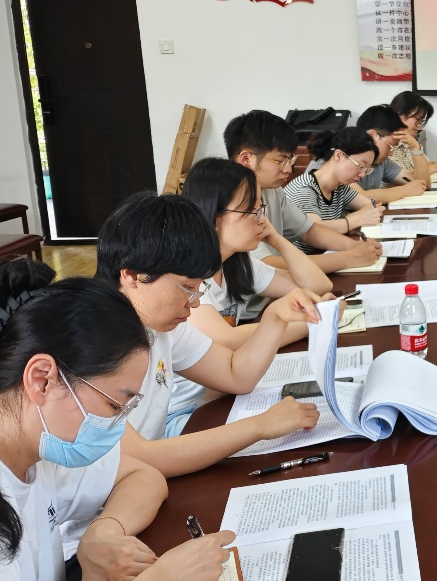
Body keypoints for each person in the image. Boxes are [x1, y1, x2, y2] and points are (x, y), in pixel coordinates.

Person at [0, 257, 236, 580]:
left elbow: (144, 476)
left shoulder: (37, 449)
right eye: (114, 405)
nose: (119, 424)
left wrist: (103, 532)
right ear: (42, 380)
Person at [96, 193, 325, 478]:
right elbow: (140, 457)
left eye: (198, 288)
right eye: (187, 287)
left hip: (149, 474)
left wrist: (276, 318)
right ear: (133, 276)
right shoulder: (93, 341)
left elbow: (235, 374)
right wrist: (260, 426)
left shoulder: (161, 325)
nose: (194, 303)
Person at [167, 158, 334, 437]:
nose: (262, 220)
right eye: (251, 211)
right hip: (186, 411)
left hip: (221, 394)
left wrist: (277, 239)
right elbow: (225, 340)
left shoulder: (237, 263)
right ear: (214, 217)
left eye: (261, 209)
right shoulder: (186, 276)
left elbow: (318, 286)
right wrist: (311, 321)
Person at [223, 110, 383, 274]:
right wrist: (349, 258)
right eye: (281, 161)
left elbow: (308, 230)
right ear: (246, 159)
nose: (288, 169)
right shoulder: (230, 203)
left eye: (290, 160)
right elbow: (267, 265)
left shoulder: (273, 190)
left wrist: (355, 246)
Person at [284, 127, 387, 252]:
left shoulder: (340, 186)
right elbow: (314, 231)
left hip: (330, 253)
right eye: (360, 166)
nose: (362, 174)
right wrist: (352, 221)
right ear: (338, 155)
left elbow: (371, 207)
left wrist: (349, 222)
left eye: (367, 169)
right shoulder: (304, 189)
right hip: (308, 259)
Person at [305, 106, 427, 205]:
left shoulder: (380, 160)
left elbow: (421, 183)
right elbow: (360, 198)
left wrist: (416, 148)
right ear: (373, 135)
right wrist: (405, 190)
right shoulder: (340, 159)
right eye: (390, 146)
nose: (391, 153)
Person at [388, 91, 437, 177]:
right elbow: (400, 178)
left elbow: (424, 165)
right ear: (399, 113)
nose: (419, 126)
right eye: (418, 119)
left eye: (421, 121)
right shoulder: (386, 144)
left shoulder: (409, 141)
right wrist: (434, 168)